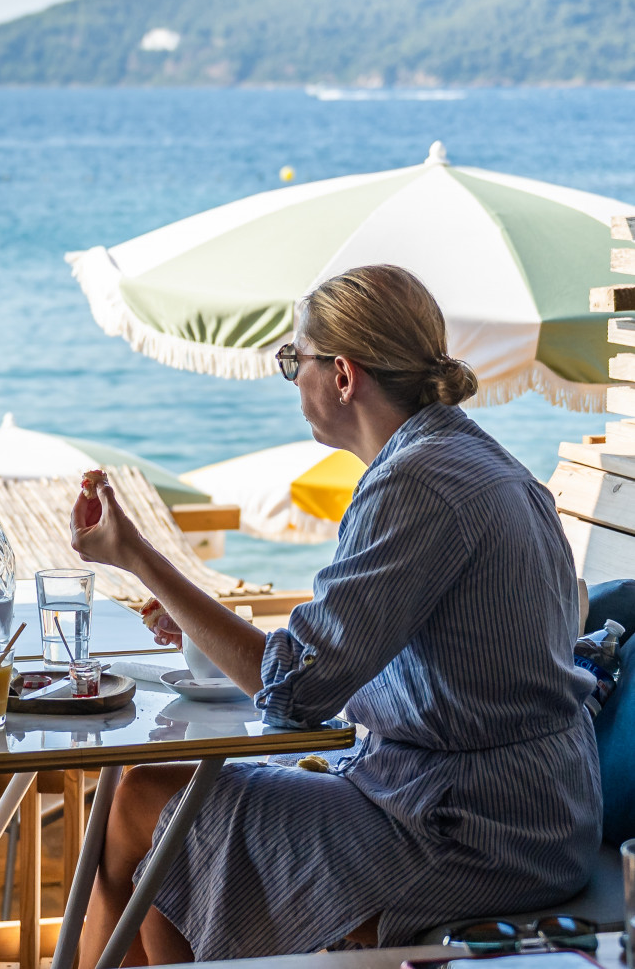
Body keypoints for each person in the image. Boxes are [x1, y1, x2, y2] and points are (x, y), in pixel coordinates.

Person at [70, 265, 601, 965]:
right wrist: (197, 620)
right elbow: (373, 652)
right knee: (169, 826)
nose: (292, 380)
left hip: (470, 830)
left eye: (294, 361)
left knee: (145, 799)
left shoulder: (414, 485)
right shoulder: (480, 462)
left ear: (343, 375)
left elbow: (296, 689)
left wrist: (137, 556)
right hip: (538, 808)